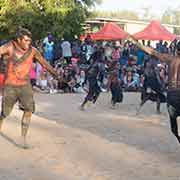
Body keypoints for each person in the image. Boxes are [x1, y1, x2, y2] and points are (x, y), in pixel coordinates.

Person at [0, 28, 58, 148]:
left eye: (29, 41)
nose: (28, 43)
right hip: (10, 86)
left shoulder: (33, 51)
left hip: (25, 86)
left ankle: (23, 138)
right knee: (5, 113)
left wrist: (55, 74)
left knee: (29, 110)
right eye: (25, 40)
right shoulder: (8, 47)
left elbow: (44, 62)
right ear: (18, 40)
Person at [128, 35, 180, 144]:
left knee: (173, 128)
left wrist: (136, 43)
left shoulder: (171, 59)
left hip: (172, 96)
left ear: (177, 50)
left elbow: (152, 52)